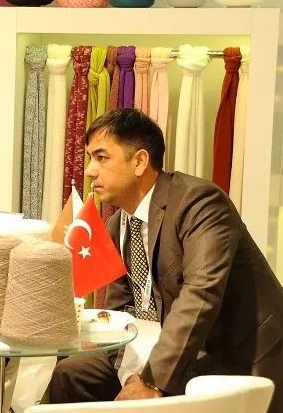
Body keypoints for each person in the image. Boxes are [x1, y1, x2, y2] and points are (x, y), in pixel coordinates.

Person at [50, 108, 283, 412]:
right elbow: (121, 308)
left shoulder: (199, 202)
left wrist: (151, 380)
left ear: (139, 161)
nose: (90, 171)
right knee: (72, 373)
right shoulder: (118, 223)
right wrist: (129, 372)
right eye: (90, 158)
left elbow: (200, 295)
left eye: (102, 158)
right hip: (167, 344)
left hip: (233, 351)